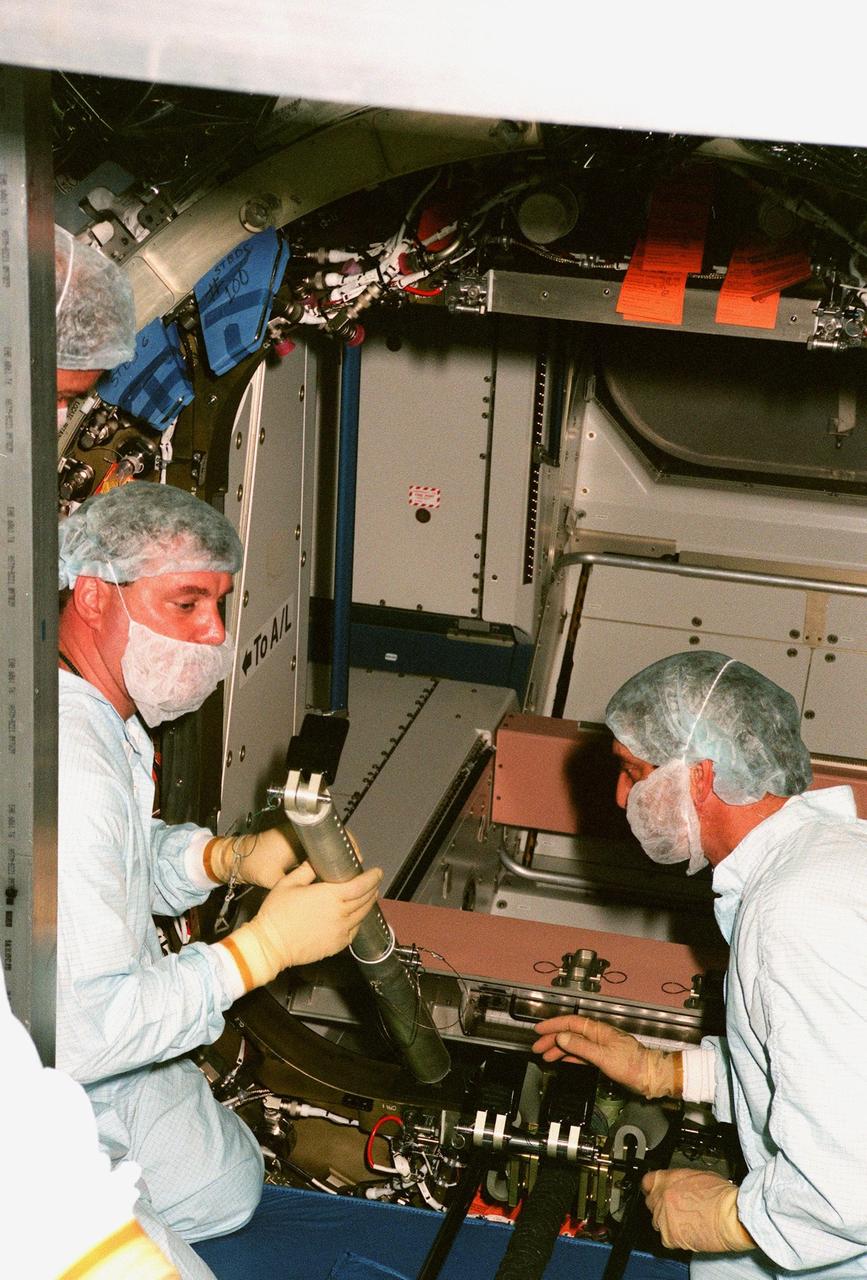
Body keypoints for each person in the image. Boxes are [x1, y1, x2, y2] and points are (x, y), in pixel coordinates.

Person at [55, 474, 383, 1266]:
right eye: (187, 603)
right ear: (96, 594)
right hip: (46, 1074)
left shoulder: (96, 714)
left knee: (224, 1190)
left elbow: (116, 864)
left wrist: (222, 856)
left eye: (220, 605)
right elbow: (87, 1036)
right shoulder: (69, 768)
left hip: (97, 1036)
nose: (214, 634)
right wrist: (256, 954)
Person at [533, 650, 867, 1280]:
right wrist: (660, 1071)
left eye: (634, 772)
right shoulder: (820, 867)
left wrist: (728, 1220)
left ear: (700, 777)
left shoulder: (796, 913)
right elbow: (814, 1066)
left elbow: (852, 1177)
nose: (620, 795)